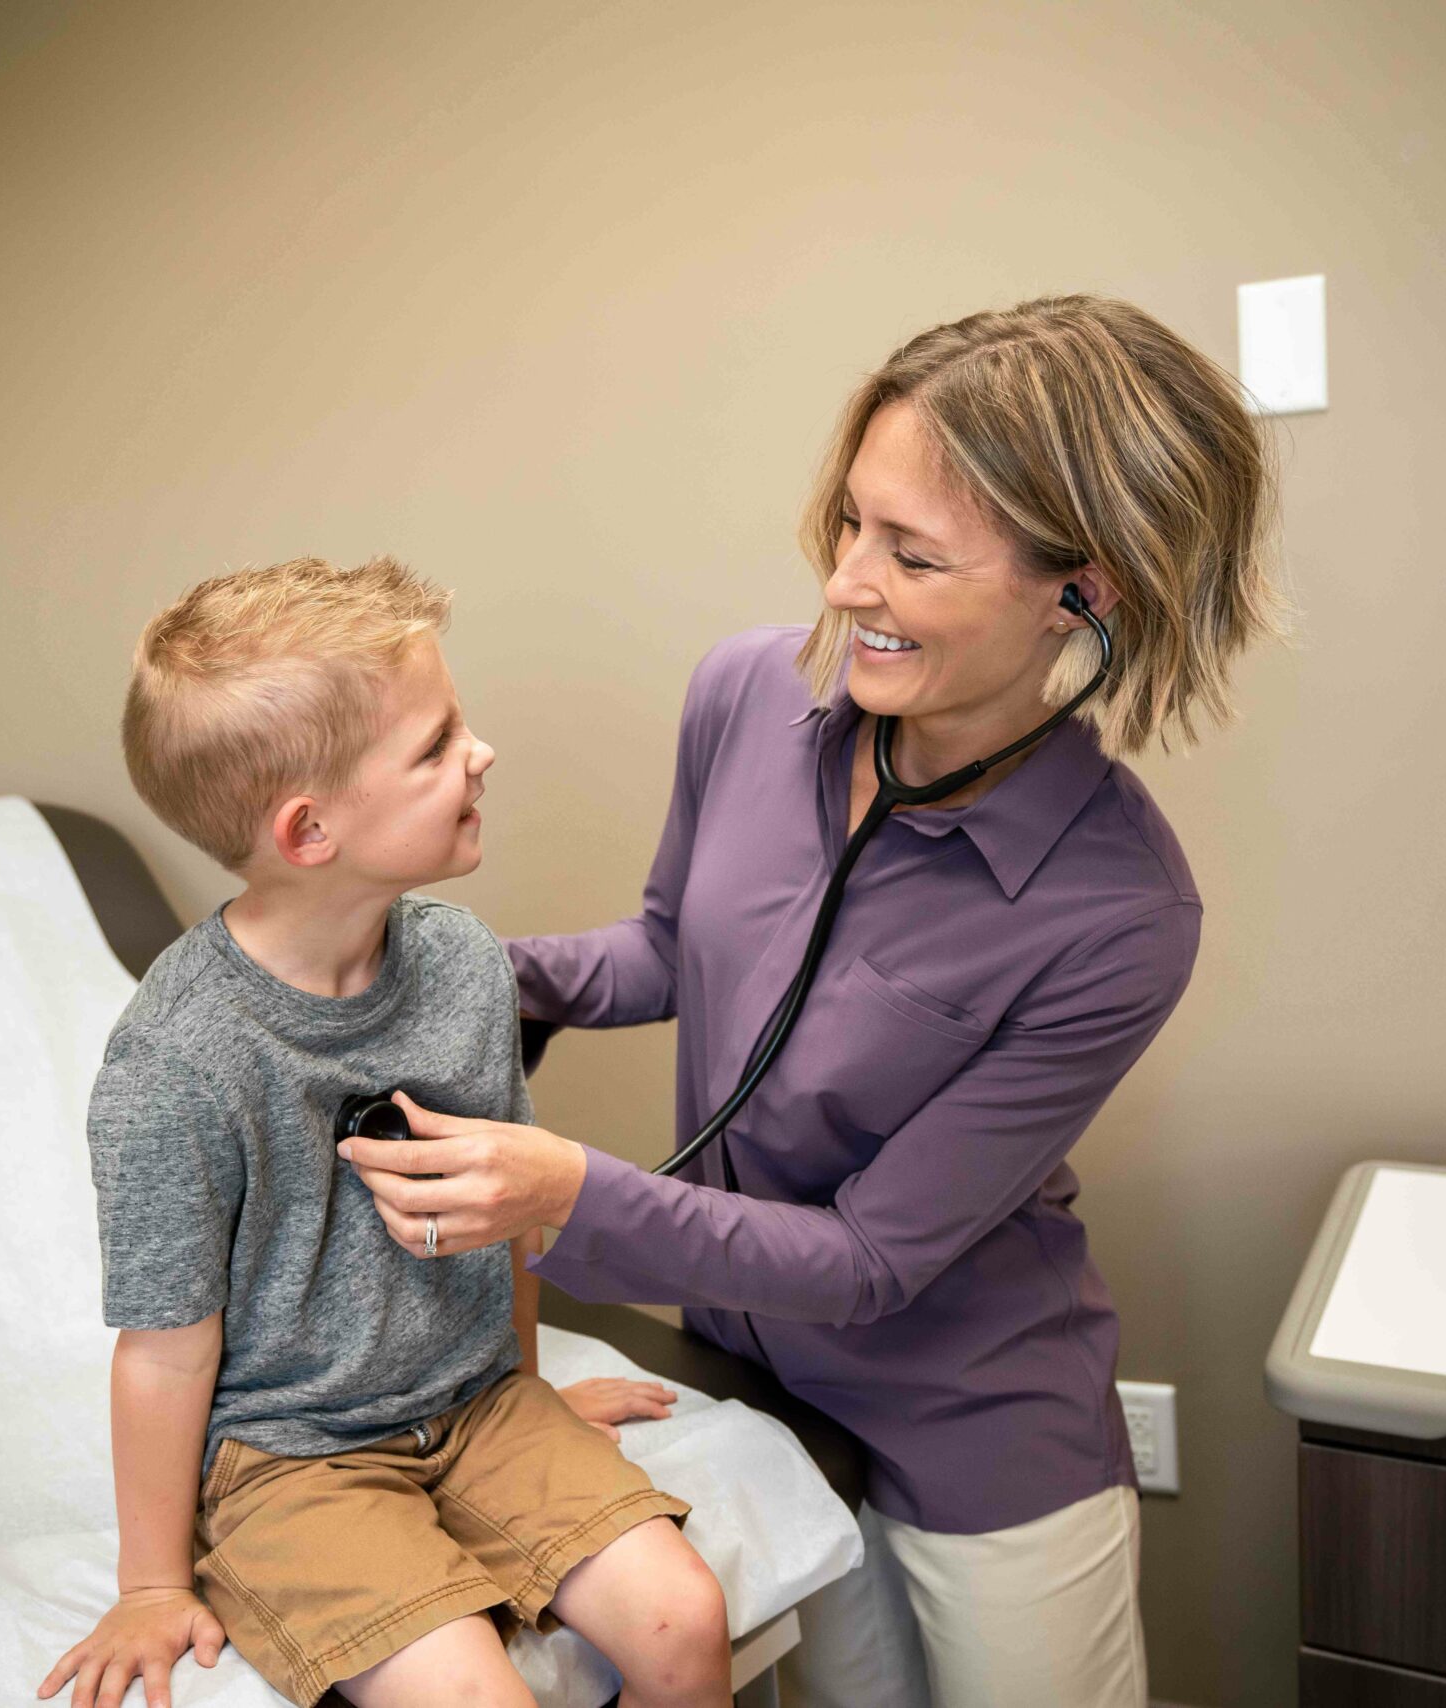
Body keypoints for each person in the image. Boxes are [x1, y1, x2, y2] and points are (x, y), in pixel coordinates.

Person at [336, 295, 1287, 1707]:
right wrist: (471, 971)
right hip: (758, 1389)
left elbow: (868, 1263)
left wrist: (561, 1195)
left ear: (1085, 592)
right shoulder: (745, 696)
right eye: (851, 524)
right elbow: (671, 946)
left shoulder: (1120, 912)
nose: (848, 584)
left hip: (978, 1430)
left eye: (912, 554)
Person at [37, 557, 727, 1708]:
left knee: (682, 1618)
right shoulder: (177, 1061)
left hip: (477, 1405)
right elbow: (163, 1346)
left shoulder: (462, 963)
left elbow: (498, 1212)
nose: (481, 753)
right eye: (435, 743)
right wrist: (151, 1580)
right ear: (310, 830)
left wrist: (525, 1385)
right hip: (294, 1459)